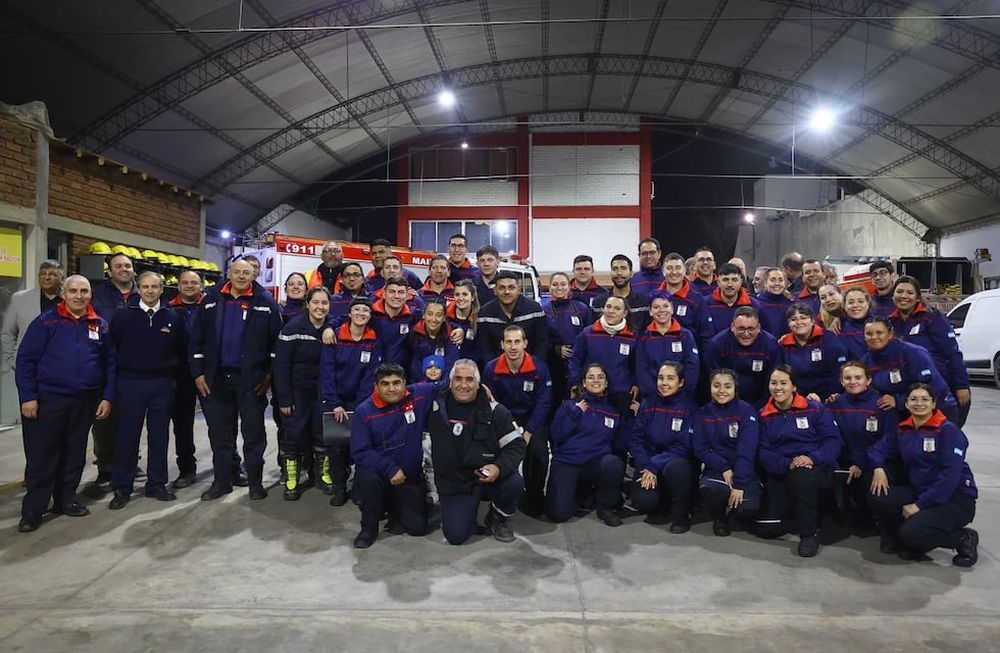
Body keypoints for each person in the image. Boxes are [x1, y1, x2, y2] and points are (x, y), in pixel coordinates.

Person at [15, 275, 115, 532]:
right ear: (64, 294)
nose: (79, 296)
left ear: (90, 295)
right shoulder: (45, 322)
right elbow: (25, 360)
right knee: (43, 456)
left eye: (84, 291)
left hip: (85, 400)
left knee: (74, 453)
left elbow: (110, 364)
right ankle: (33, 510)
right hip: (49, 399)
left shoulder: (99, 325)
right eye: (73, 291)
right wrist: (28, 397)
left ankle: (65, 500)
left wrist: (107, 396)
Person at [189, 259, 283, 501]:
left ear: (254, 275)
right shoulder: (211, 299)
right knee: (220, 435)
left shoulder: (266, 302)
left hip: (251, 381)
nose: (241, 276)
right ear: (229, 273)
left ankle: (255, 484)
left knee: (254, 435)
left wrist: (268, 374)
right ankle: (222, 482)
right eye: (237, 272)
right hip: (217, 379)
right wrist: (198, 372)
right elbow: (196, 338)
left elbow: (276, 343)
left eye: (246, 273)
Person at [868, 383, 979, 566]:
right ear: (906, 403)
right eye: (913, 399)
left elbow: (950, 476)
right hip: (920, 490)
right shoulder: (903, 429)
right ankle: (909, 539)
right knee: (879, 495)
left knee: (911, 533)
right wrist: (878, 468)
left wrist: (920, 505)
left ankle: (962, 538)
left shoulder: (949, 431)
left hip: (954, 498)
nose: (919, 403)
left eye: (925, 399)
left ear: (933, 403)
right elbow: (876, 449)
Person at [107, 271, 186, 510]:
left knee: (159, 435)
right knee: (127, 436)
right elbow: (112, 349)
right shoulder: (122, 316)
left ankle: (157, 483)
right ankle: (122, 487)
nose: (150, 291)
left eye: (154, 287)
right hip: (131, 382)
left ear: (162, 289)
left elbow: (181, 349)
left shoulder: (173, 317)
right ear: (138, 289)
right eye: (145, 287)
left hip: (162, 383)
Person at [426, 359, 526, 544]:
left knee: (514, 482)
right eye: (458, 379)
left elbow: (517, 445)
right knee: (456, 536)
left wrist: (498, 468)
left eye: (470, 379)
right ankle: (466, 514)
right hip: (454, 483)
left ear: (479, 384)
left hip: (488, 478)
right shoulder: (434, 407)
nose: (463, 385)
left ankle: (499, 515)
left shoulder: (496, 411)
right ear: (450, 382)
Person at [756, 365, 841, 557]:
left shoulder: (815, 408)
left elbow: (833, 441)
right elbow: (763, 450)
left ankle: (809, 534)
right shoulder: (763, 414)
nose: (778, 387)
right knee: (765, 528)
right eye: (773, 383)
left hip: (815, 468)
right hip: (782, 470)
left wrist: (812, 457)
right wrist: (787, 464)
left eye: (783, 383)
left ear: (794, 386)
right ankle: (801, 519)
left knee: (802, 477)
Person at [350, 363, 437, 548]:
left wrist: (481, 388)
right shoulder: (364, 411)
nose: (391, 388)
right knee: (367, 479)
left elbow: (447, 385)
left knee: (417, 527)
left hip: (408, 477)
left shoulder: (418, 395)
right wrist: (390, 469)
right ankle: (368, 528)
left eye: (396, 383)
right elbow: (360, 451)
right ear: (376, 386)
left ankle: (395, 509)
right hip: (379, 475)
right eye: (385, 384)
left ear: (404, 383)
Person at [482, 325, 553, 517]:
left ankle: (534, 495)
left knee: (539, 453)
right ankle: (497, 495)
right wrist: (509, 430)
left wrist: (529, 432)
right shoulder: (491, 369)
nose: (513, 347)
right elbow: (491, 404)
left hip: (532, 419)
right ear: (502, 345)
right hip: (504, 420)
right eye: (509, 342)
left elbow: (544, 403)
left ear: (525, 343)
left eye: (517, 341)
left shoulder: (539, 367)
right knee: (493, 450)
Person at [320, 297, 382, 505]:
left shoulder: (374, 340)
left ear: (370, 315)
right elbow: (327, 372)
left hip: (361, 403)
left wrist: (359, 408)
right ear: (349, 313)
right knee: (337, 448)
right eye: (357, 309)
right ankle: (339, 488)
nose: (361, 313)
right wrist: (335, 403)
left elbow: (370, 376)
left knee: (361, 445)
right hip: (336, 400)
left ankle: (359, 487)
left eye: (365, 310)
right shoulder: (335, 336)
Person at [547, 363, 625, 526]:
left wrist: (633, 415)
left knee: (613, 463)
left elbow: (620, 441)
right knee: (559, 514)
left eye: (600, 377)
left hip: (593, 463)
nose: (596, 381)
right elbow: (556, 434)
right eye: (591, 377)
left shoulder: (612, 412)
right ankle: (581, 491)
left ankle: (605, 506)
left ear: (606, 383)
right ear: (583, 382)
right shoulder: (569, 405)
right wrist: (575, 413)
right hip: (567, 461)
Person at [888, 276, 971, 427]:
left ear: (918, 297)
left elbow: (952, 353)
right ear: (893, 296)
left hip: (940, 388)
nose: (904, 296)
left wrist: (961, 385)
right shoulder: (890, 323)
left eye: (909, 293)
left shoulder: (933, 318)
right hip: (911, 392)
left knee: (944, 433)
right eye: (899, 292)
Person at [827, 361, 898, 535]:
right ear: (841, 381)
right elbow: (829, 436)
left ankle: (875, 521)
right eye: (848, 378)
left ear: (868, 380)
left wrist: (861, 462)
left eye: (858, 377)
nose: (853, 382)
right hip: (843, 460)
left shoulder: (882, 404)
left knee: (870, 484)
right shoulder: (834, 403)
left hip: (873, 460)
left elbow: (889, 440)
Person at [273, 286, 329, 501]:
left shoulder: (331, 327)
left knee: (322, 434)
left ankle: (322, 475)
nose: (320, 307)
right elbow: (281, 366)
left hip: (321, 392)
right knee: (294, 435)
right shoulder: (292, 328)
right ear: (307, 304)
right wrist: (284, 398)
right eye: (316, 302)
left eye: (324, 303)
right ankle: (292, 478)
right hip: (297, 393)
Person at [629, 362, 698, 531]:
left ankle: (682, 514)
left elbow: (684, 445)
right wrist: (645, 465)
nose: (664, 383)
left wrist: (654, 465)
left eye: (670, 378)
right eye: (661, 378)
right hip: (649, 461)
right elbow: (636, 438)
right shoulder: (648, 402)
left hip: (674, 461)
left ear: (681, 382)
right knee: (644, 502)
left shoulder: (689, 406)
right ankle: (662, 502)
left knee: (677, 468)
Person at [692, 368, 762, 536]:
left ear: (735, 389)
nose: (721, 390)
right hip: (716, 469)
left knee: (748, 509)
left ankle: (735, 513)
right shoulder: (702, 413)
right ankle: (720, 519)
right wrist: (724, 467)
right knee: (711, 492)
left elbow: (747, 450)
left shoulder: (746, 411)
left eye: (727, 386)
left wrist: (739, 484)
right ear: (710, 387)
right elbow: (701, 448)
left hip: (744, 470)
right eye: (716, 385)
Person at [89, 251, 138, 487]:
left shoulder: (145, 293)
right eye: (118, 266)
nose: (124, 269)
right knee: (103, 420)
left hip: (135, 367)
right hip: (103, 366)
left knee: (132, 419)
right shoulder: (96, 295)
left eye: (127, 265)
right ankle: (105, 466)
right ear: (110, 271)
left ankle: (130, 463)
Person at [861, 316, 958, 421]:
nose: (874, 337)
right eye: (869, 334)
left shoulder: (913, 353)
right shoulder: (865, 362)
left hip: (937, 408)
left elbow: (932, 386)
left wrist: (898, 400)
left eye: (879, 333)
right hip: (902, 412)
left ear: (890, 334)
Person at [568, 295, 637, 421]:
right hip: (592, 393)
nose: (611, 311)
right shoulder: (587, 333)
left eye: (617, 308)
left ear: (625, 313)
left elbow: (637, 364)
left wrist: (636, 384)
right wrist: (575, 382)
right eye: (608, 307)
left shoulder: (632, 336)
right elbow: (575, 359)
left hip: (620, 393)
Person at [168, 269, 205, 488]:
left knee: (221, 424)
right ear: (178, 286)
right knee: (182, 425)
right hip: (180, 373)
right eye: (185, 282)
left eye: (194, 282)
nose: (190, 286)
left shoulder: (210, 307)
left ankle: (230, 466)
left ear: (201, 286)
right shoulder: (168, 310)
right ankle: (186, 469)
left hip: (207, 373)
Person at [703, 307, 780, 407]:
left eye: (751, 329)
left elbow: (774, 381)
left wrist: (761, 408)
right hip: (726, 403)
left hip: (762, 403)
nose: (746, 334)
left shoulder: (771, 345)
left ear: (759, 328)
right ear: (732, 327)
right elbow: (715, 381)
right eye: (741, 329)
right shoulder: (717, 345)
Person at [776, 304, 848, 403]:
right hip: (795, 399)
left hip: (828, 398)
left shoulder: (829, 339)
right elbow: (781, 376)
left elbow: (838, 372)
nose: (799, 322)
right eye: (793, 319)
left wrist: (829, 396)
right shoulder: (783, 344)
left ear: (813, 320)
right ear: (788, 323)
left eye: (803, 318)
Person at [2, 260, 63, 371]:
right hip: (28, 366)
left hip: (61, 366)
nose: (46, 277)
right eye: (43, 274)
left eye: (52, 274)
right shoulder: (20, 298)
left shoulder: (71, 299)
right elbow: (8, 333)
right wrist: (13, 360)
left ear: (62, 278)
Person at [635, 295, 699, 399]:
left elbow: (692, 365)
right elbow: (642, 368)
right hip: (652, 397)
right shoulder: (644, 338)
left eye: (665, 306)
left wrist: (685, 392)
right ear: (650, 312)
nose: (661, 310)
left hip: (682, 396)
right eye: (656, 307)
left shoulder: (686, 335)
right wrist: (652, 394)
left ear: (672, 309)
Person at [477, 271, 549, 362]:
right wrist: (494, 367)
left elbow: (542, 343)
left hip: (530, 366)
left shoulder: (534, 310)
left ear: (519, 290)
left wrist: (534, 366)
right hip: (496, 367)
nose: (506, 292)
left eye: (511, 287)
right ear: (495, 291)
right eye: (502, 288)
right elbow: (484, 347)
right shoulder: (485, 313)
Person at [652, 252, 713, 347]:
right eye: (669, 268)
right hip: (659, 352)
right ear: (663, 272)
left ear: (684, 271)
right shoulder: (654, 297)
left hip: (689, 353)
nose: (674, 272)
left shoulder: (696, 299)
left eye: (678, 268)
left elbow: (706, 335)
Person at [370, 277, 422, 368]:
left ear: (407, 296)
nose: (396, 296)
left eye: (401, 292)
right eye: (392, 292)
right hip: (373, 370)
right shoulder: (371, 314)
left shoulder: (414, 315)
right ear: (384, 294)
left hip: (401, 371)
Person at [593, 254, 650, 332]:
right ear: (610, 273)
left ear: (631, 273)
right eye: (615, 269)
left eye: (623, 268)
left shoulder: (643, 302)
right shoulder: (598, 302)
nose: (619, 273)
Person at [408, 299, 458, 382]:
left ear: (444, 318)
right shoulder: (414, 334)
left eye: (439, 315)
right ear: (423, 315)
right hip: (420, 384)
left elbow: (450, 369)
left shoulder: (452, 337)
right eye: (430, 314)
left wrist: (440, 386)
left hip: (444, 385)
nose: (434, 319)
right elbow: (415, 368)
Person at [706, 262, 760, 337]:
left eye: (734, 280)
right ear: (718, 282)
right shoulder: (705, 304)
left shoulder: (754, 305)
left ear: (741, 281)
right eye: (725, 280)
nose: (730, 284)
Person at [447, 279, 480, 364]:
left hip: (471, 365)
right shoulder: (445, 316)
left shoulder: (480, 319)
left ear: (472, 297)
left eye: (465, 294)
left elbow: (481, 349)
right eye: (457, 295)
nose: (460, 298)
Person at [756, 267, 792, 338]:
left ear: (785, 283)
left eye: (780, 280)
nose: (777, 283)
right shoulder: (757, 304)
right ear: (765, 283)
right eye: (773, 280)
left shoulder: (791, 304)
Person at [837, 287, 872, 360]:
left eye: (860, 301)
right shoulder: (838, 329)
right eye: (850, 302)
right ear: (844, 306)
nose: (855, 305)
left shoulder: (880, 324)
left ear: (868, 303)